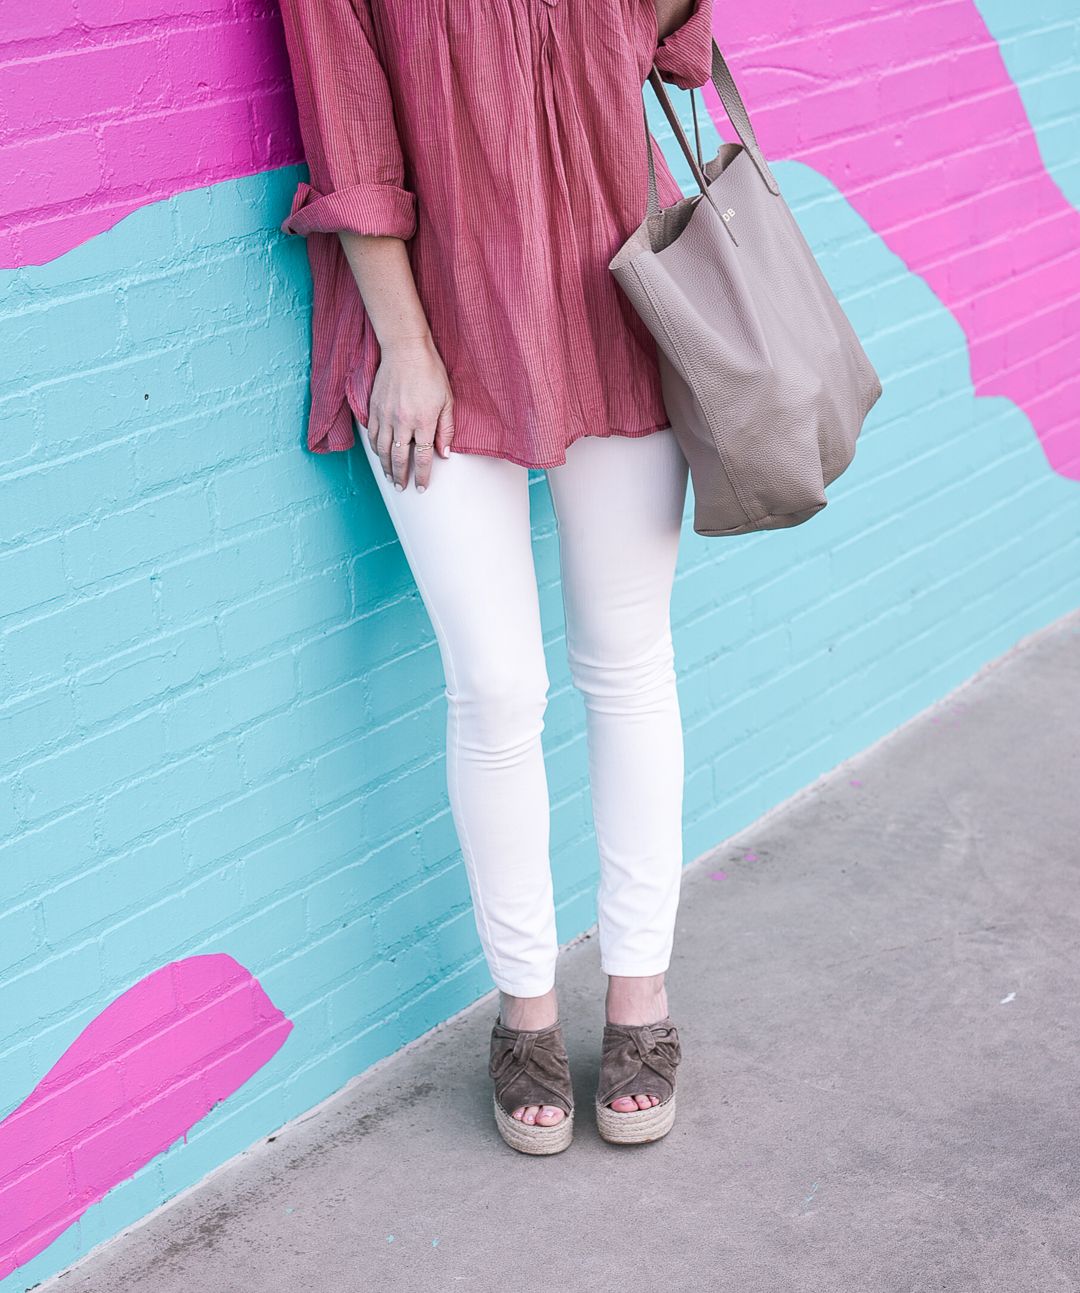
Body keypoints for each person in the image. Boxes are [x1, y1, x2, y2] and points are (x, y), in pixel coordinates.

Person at [278, 0, 714, 1153]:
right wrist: (409, 351)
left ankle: (640, 999)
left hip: (617, 302)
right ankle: (524, 1010)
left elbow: (675, 40)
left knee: (627, 663)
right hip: (432, 333)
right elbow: (353, 145)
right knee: (498, 688)